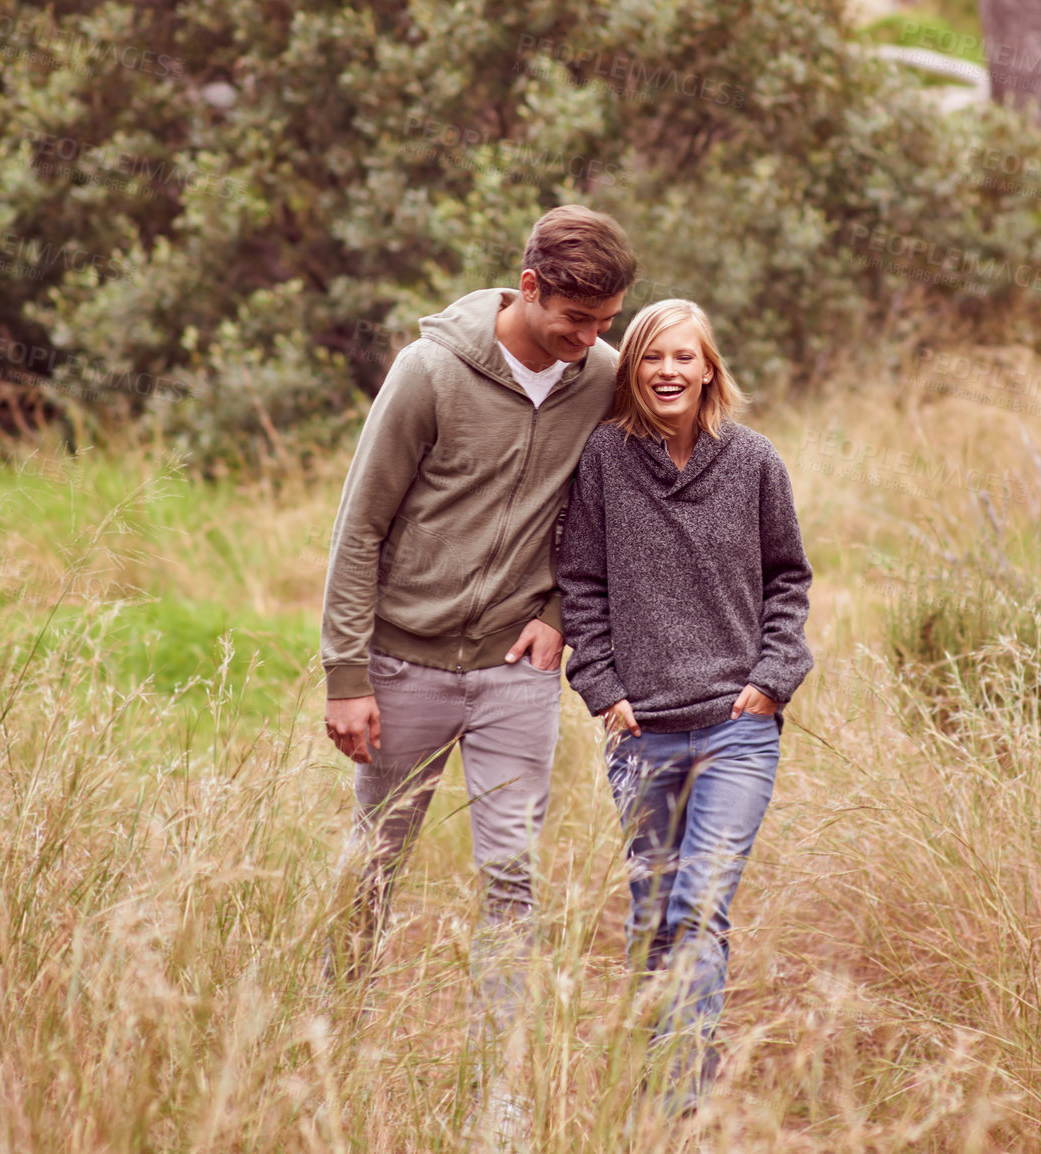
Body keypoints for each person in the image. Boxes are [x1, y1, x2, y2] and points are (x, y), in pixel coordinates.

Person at [318, 206, 636, 1109]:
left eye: (605, 321)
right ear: (528, 287)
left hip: (515, 674)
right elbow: (360, 527)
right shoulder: (429, 372)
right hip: (403, 666)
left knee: (512, 874)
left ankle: (494, 1090)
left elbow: (611, 515)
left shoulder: (601, 378)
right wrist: (347, 675)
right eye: (575, 320)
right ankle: (332, 1045)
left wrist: (561, 611)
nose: (588, 340)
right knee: (373, 863)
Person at [557, 298, 813, 1116]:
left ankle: (680, 1104)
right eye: (651, 357)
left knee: (700, 905)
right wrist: (603, 689)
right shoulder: (603, 460)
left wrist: (772, 679)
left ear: (709, 369)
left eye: (683, 356)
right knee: (653, 913)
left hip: (738, 730)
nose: (668, 371)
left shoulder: (754, 462)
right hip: (642, 734)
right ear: (631, 370)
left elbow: (789, 579)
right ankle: (650, 1075)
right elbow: (581, 584)